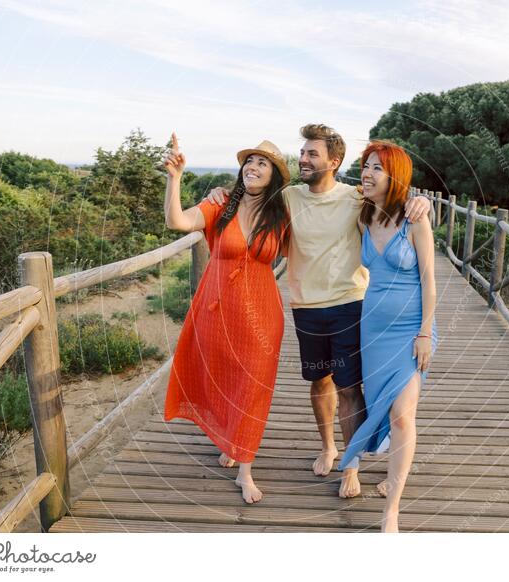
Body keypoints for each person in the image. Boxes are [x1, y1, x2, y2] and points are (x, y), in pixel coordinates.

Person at [204, 124, 431, 498]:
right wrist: (221, 193)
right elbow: (248, 198)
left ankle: (351, 465)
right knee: (319, 383)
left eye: (312, 154)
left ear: (334, 162)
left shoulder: (357, 197)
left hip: (350, 305)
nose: (304, 159)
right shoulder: (288, 197)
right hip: (305, 307)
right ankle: (328, 446)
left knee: (348, 388)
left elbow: (395, 199)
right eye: (303, 152)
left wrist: (420, 200)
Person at [163, 134, 291, 504]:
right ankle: (230, 440)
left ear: (274, 177)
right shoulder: (220, 204)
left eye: (262, 163)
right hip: (217, 309)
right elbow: (177, 222)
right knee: (223, 378)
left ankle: (245, 470)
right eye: (249, 161)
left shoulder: (280, 214)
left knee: (253, 386)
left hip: (263, 314)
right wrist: (175, 178)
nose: (253, 167)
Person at [337, 141, 437, 533]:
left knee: (401, 415)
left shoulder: (415, 220)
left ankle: (391, 509)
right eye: (365, 165)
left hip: (411, 327)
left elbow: (430, 280)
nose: (367, 172)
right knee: (381, 406)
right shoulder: (363, 216)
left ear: (394, 176)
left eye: (377, 167)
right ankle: (388, 473)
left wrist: (425, 332)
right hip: (373, 327)